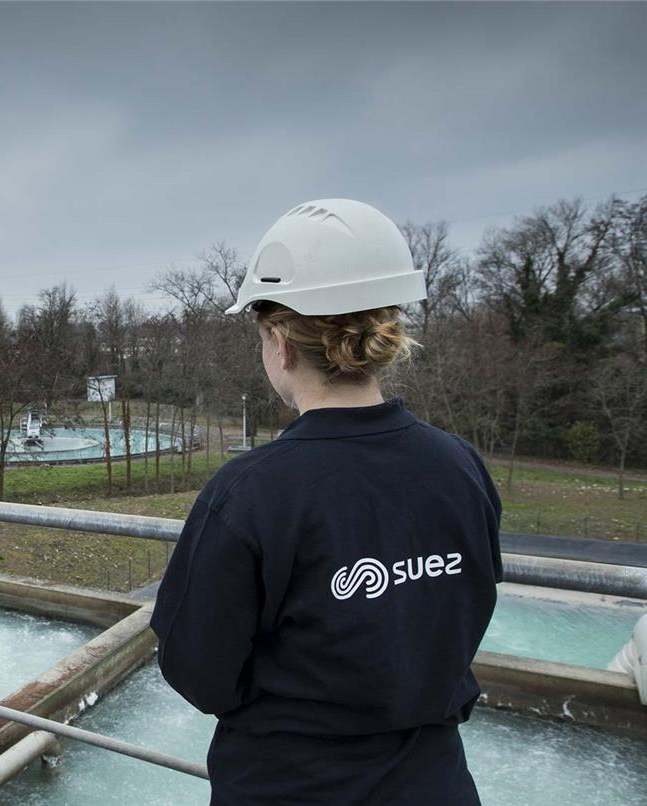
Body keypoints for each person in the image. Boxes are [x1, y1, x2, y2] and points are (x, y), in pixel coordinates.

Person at [150, 199, 502, 805]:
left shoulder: (251, 493)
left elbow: (194, 669)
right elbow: (468, 607)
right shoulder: (459, 465)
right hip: (434, 783)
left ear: (281, 343)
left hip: (288, 785)